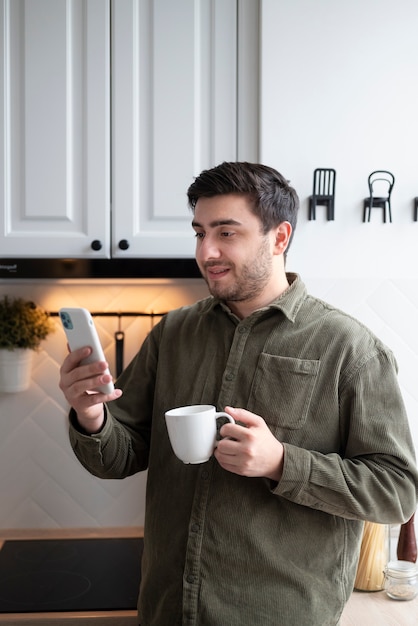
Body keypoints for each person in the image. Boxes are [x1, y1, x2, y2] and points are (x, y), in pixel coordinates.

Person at [59, 162, 418, 626]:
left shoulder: (350, 349)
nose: (206, 251)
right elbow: (117, 457)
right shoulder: (174, 332)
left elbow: (397, 492)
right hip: (165, 610)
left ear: (280, 237)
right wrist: (91, 416)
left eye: (227, 232)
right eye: (199, 233)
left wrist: (282, 463)